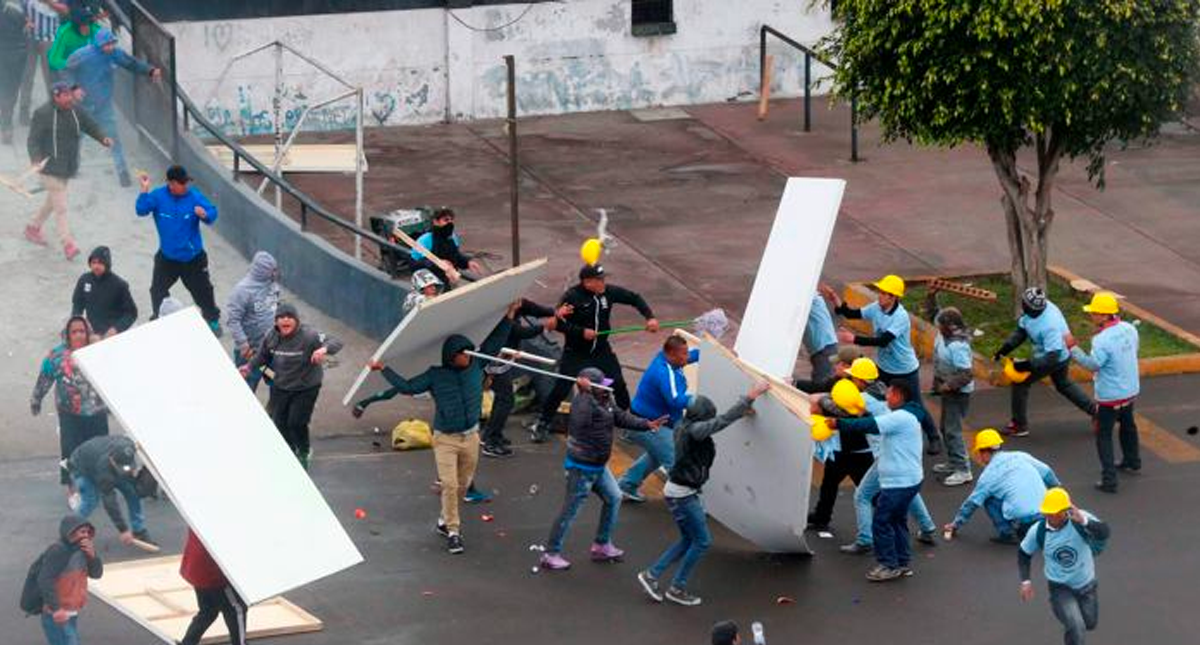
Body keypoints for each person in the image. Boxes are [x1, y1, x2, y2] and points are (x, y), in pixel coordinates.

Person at [367, 304, 517, 554]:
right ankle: (454, 531)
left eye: (469, 352)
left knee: (461, 485)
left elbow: (494, 345)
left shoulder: (477, 364)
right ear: (452, 356)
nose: (468, 356)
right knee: (449, 484)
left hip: (470, 436)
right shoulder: (435, 375)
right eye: (463, 353)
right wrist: (384, 369)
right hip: (446, 438)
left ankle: (443, 520)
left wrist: (509, 317)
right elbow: (407, 387)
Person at [637, 381, 770, 607]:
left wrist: (742, 411)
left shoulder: (684, 424)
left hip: (678, 491)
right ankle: (677, 587)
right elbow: (722, 421)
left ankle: (652, 575)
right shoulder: (696, 431)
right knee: (702, 541)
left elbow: (718, 421)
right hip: (683, 495)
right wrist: (750, 396)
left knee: (688, 539)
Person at [539, 368, 664, 570]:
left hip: (598, 466)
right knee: (569, 512)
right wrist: (586, 394)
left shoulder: (606, 400)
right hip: (581, 468)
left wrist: (647, 424)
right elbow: (580, 422)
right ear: (590, 387)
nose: (606, 388)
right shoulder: (582, 403)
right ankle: (550, 554)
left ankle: (601, 544)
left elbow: (621, 418)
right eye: (601, 385)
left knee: (614, 497)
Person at [531, 264, 658, 443]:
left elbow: (634, 298)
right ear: (587, 282)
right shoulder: (572, 297)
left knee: (617, 384)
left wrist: (649, 317)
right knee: (562, 388)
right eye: (599, 280)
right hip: (575, 352)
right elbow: (557, 324)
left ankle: (629, 424)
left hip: (601, 351)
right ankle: (543, 422)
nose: (603, 283)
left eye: (603, 279)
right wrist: (580, 332)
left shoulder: (608, 293)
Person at [821, 276, 941, 454]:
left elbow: (884, 340)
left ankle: (934, 438)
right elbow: (851, 314)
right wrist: (835, 300)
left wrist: (854, 339)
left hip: (904, 370)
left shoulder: (900, 317)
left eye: (884, 293)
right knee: (874, 396)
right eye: (880, 292)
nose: (880, 296)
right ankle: (876, 432)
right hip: (884, 367)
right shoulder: (876, 308)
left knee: (916, 404)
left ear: (894, 297)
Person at [837, 357, 938, 556]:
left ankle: (866, 540)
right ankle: (927, 527)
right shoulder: (886, 392)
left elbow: (836, 407)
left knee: (863, 496)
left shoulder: (864, 399)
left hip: (885, 457)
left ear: (861, 380)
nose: (850, 381)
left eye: (852, 378)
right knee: (909, 492)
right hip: (906, 462)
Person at [828, 380, 925, 582]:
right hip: (907, 479)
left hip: (899, 482)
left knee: (882, 522)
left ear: (898, 395)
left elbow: (870, 425)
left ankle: (888, 565)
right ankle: (902, 562)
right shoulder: (906, 416)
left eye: (889, 394)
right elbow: (872, 422)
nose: (886, 397)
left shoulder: (900, 417)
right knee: (897, 521)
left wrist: (838, 424)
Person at [240, 303, 342, 469]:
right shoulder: (271, 336)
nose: (285, 320)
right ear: (276, 321)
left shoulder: (309, 335)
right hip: (281, 385)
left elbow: (336, 341)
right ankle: (291, 450)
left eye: (289, 317)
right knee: (279, 423)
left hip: (306, 386)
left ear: (296, 321)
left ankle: (304, 451)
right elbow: (262, 356)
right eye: (281, 317)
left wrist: (323, 350)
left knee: (296, 422)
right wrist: (248, 367)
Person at [24, 81, 111, 261]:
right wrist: (35, 159)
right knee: (61, 207)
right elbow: (33, 140)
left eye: (69, 95)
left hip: (68, 166)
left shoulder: (76, 110)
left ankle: (32, 228)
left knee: (52, 202)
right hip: (49, 168)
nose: (69, 98)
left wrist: (103, 138)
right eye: (64, 95)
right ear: (55, 97)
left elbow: (90, 125)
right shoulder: (43, 114)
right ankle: (68, 244)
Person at [993, 287, 1095, 437]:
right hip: (1055, 354)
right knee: (1063, 384)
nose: (1023, 308)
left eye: (1025, 306)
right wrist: (1005, 349)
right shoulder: (1035, 309)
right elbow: (1021, 331)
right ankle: (1096, 412)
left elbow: (1052, 357)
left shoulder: (1049, 325)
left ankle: (1019, 425)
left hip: (1055, 357)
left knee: (1020, 383)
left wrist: (1026, 366)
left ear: (1033, 309)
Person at [64, 27, 159, 186]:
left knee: (113, 138)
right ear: (99, 44)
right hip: (83, 106)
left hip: (104, 104)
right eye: (107, 45)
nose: (110, 47)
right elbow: (66, 70)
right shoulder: (82, 55)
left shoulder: (114, 53)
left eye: (112, 44)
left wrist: (150, 70)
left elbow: (131, 63)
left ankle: (123, 173)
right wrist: (74, 88)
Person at [1065, 292, 1140, 493]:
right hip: (1130, 389)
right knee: (1128, 425)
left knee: (1104, 435)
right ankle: (1132, 461)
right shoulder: (1129, 329)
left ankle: (1109, 479)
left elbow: (1093, 364)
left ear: (1104, 316)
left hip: (1110, 396)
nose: (1091, 315)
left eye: (1094, 312)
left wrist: (1073, 348)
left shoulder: (1102, 340)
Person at [136, 165, 222, 333]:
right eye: (182, 183)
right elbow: (141, 210)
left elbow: (213, 212)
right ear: (171, 183)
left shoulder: (194, 196)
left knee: (203, 292)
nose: (186, 186)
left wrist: (205, 215)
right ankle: (159, 317)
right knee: (157, 290)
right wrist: (144, 191)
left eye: (186, 182)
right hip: (167, 258)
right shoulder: (158, 196)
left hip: (193, 258)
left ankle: (212, 320)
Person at [1018, 487, 1109, 645]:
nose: (1050, 516)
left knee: (1089, 623)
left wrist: (1084, 521)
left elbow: (1105, 533)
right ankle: (1071, 624)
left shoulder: (1080, 519)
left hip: (1087, 584)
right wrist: (1026, 581)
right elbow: (1024, 553)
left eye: (1054, 512)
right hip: (1060, 587)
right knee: (1077, 626)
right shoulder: (1038, 531)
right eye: (1047, 512)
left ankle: (1072, 627)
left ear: (1064, 511)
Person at [31, 316, 107, 495]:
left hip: (97, 411)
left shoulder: (98, 351)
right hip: (69, 413)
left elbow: (112, 378)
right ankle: (72, 486)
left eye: (82, 331)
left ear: (88, 332)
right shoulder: (57, 356)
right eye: (74, 332)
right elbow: (45, 378)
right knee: (70, 449)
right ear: (67, 335)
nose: (79, 335)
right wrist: (36, 399)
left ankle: (97, 483)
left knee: (99, 449)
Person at [618, 334, 698, 502]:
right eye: (683, 354)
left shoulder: (669, 359)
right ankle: (691, 505)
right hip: (647, 425)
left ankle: (627, 485)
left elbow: (690, 356)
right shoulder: (663, 372)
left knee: (656, 456)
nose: (687, 357)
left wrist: (714, 354)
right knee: (676, 461)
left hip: (656, 423)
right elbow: (675, 400)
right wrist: (701, 402)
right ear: (671, 355)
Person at [943, 429, 1060, 544]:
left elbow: (972, 503)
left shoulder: (988, 475)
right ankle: (1041, 528)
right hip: (1047, 513)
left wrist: (955, 524)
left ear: (985, 452)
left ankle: (1007, 533)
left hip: (1025, 519)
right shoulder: (1021, 456)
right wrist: (1059, 495)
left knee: (988, 499)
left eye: (979, 453)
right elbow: (1047, 472)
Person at [481, 298, 562, 458]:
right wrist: (545, 326)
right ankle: (491, 441)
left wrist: (555, 313)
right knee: (506, 399)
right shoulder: (498, 314)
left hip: (505, 360)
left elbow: (535, 308)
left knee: (503, 399)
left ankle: (491, 433)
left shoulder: (516, 303)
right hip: (495, 362)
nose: (520, 303)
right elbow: (519, 332)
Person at [806, 379, 874, 533]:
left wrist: (824, 397)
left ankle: (822, 517)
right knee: (830, 485)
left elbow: (815, 400)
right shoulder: (863, 411)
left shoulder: (832, 409)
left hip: (851, 456)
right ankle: (821, 517)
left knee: (833, 487)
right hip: (853, 454)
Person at [924, 287, 974, 485]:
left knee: (952, 430)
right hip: (947, 388)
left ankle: (963, 469)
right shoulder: (944, 333)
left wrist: (948, 386)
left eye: (940, 324)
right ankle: (954, 462)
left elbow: (966, 374)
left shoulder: (957, 345)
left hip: (958, 393)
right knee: (946, 428)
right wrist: (931, 294)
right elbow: (933, 313)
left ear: (948, 327)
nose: (937, 324)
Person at [67, 434, 157, 547]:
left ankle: (139, 530)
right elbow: (110, 502)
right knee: (90, 500)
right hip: (81, 467)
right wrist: (123, 529)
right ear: (112, 460)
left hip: (103, 459)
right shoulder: (104, 470)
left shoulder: (129, 446)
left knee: (132, 493)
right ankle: (70, 531)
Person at [28, 514, 102, 645]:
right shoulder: (58, 551)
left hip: (71, 611)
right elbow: (45, 580)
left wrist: (93, 556)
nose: (86, 535)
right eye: (82, 532)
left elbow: (96, 574)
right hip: (55, 613)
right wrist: (56, 609)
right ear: (70, 532)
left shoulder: (84, 551)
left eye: (88, 532)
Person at [179, 530, 247, 645]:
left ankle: (188, 642)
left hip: (196, 568)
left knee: (208, 611)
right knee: (237, 609)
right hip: (213, 573)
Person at [226, 251, 280, 392]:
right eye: (272, 270)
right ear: (263, 271)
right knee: (245, 389)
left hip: (271, 351)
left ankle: (276, 410)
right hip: (251, 353)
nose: (276, 273)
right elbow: (233, 320)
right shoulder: (242, 291)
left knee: (276, 380)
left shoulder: (273, 286)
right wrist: (244, 345)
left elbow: (275, 309)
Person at [18, 0, 66, 128]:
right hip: (30, 38)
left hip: (50, 40)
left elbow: (66, 10)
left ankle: (55, 110)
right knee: (27, 76)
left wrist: (49, 2)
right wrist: (25, 19)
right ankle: (24, 111)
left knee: (51, 78)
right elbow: (20, 5)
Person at [70, 246, 137, 338]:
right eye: (93, 262)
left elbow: (131, 313)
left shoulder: (120, 285)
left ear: (107, 264)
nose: (96, 266)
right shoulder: (84, 280)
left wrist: (116, 329)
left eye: (100, 263)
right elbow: (77, 304)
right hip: (93, 331)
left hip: (114, 333)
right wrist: (78, 321)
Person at [408, 208, 484, 286]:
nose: (450, 223)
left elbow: (456, 256)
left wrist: (467, 262)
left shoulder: (453, 237)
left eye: (451, 220)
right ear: (435, 221)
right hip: (431, 286)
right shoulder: (424, 240)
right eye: (446, 220)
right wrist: (438, 263)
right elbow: (414, 264)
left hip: (450, 281)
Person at [0, 0, 29, 145]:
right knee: (11, 90)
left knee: (5, 89)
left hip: (10, 54)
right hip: (16, 55)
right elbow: (27, 28)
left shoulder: (13, 10)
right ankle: (6, 125)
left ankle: (6, 124)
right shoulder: (15, 11)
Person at [45, 4, 96, 75]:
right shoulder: (65, 33)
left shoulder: (93, 28)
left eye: (88, 24)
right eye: (84, 25)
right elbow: (53, 60)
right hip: (62, 66)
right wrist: (73, 63)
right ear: (76, 26)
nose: (87, 28)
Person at [803, 291, 840, 386]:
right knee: (820, 381)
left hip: (824, 348)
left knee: (820, 385)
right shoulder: (811, 296)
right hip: (823, 347)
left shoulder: (807, 296)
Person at [794, 345, 860, 394]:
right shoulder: (841, 378)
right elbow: (821, 386)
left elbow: (820, 388)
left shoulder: (845, 386)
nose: (834, 367)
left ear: (847, 367)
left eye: (837, 363)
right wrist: (796, 383)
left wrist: (795, 383)